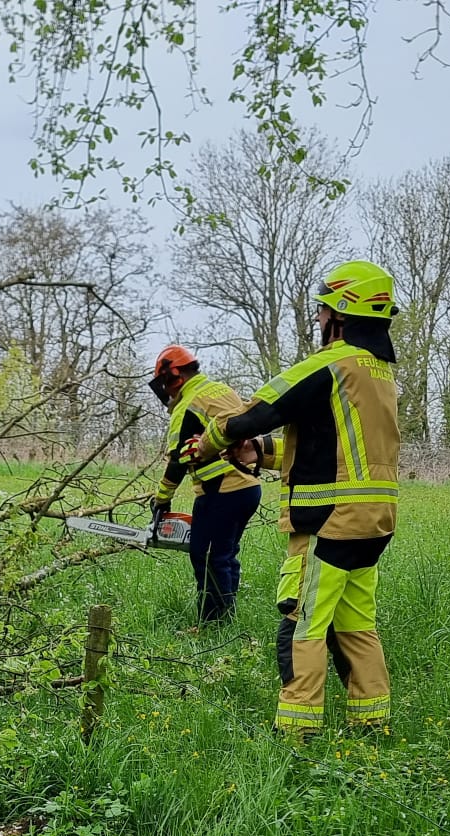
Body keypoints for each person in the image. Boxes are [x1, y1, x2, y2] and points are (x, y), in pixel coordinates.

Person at [184, 259, 401, 736]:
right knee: (356, 625)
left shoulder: (330, 365)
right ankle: (372, 725)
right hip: (373, 522)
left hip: (329, 521)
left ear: (340, 314)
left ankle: (297, 734)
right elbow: (329, 452)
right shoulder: (379, 375)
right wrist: (260, 453)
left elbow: (249, 414)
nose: (319, 319)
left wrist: (210, 445)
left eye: (323, 311)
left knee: (301, 623)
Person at [148, 345, 273, 624]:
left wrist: (162, 498)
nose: (165, 393)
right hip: (248, 487)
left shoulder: (187, 406)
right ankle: (227, 616)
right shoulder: (220, 390)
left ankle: (214, 624)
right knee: (224, 554)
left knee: (206, 555)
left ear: (173, 377)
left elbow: (179, 460)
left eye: (164, 384)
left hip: (222, 489)